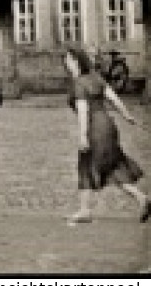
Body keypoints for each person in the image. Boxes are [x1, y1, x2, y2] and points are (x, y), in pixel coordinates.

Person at [63, 45, 151, 225]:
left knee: (87, 165)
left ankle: (85, 211)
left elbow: (83, 111)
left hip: (94, 128)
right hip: (108, 126)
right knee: (112, 165)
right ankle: (142, 199)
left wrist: (82, 135)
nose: (66, 63)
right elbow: (114, 99)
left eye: (68, 59)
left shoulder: (79, 83)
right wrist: (127, 116)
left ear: (76, 61)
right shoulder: (97, 78)